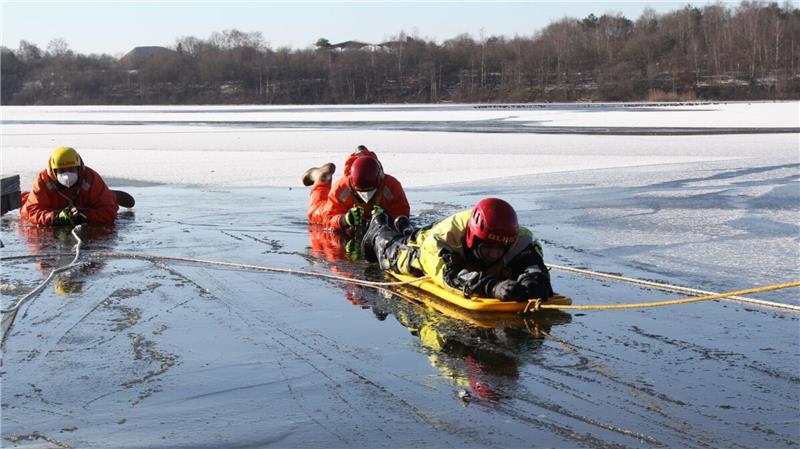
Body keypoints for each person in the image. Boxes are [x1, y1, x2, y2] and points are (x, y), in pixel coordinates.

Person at [362, 197, 553, 302]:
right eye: (488, 250)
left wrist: (533, 282)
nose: (493, 256)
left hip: (453, 236)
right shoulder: (441, 241)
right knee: (393, 256)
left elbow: (533, 264)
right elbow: (451, 276)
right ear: (473, 239)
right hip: (425, 247)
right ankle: (379, 227)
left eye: (500, 250)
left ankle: (403, 226)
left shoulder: (519, 239)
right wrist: (492, 287)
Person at [303, 145, 411, 233]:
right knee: (316, 214)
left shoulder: (391, 186)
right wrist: (344, 219)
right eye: (361, 192)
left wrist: (387, 219)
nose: (366, 197)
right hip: (340, 210)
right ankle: (321, 176)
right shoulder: (342, 188)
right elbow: (328, 217)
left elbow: (401, 211)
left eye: (370, 191)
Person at [20, 146, 118, 226]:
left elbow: (109, 211)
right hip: (53, 207)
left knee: (110, 200)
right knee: (24, 211)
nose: (67, 176)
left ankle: (111, 195)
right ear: (54, 171)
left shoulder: (91, 178)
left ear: (78, 168)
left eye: (71, 169)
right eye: (62, 171)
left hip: (83, 205)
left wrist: (84, 216)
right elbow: (32, 212)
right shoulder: (43, 180)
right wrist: (56, 217)